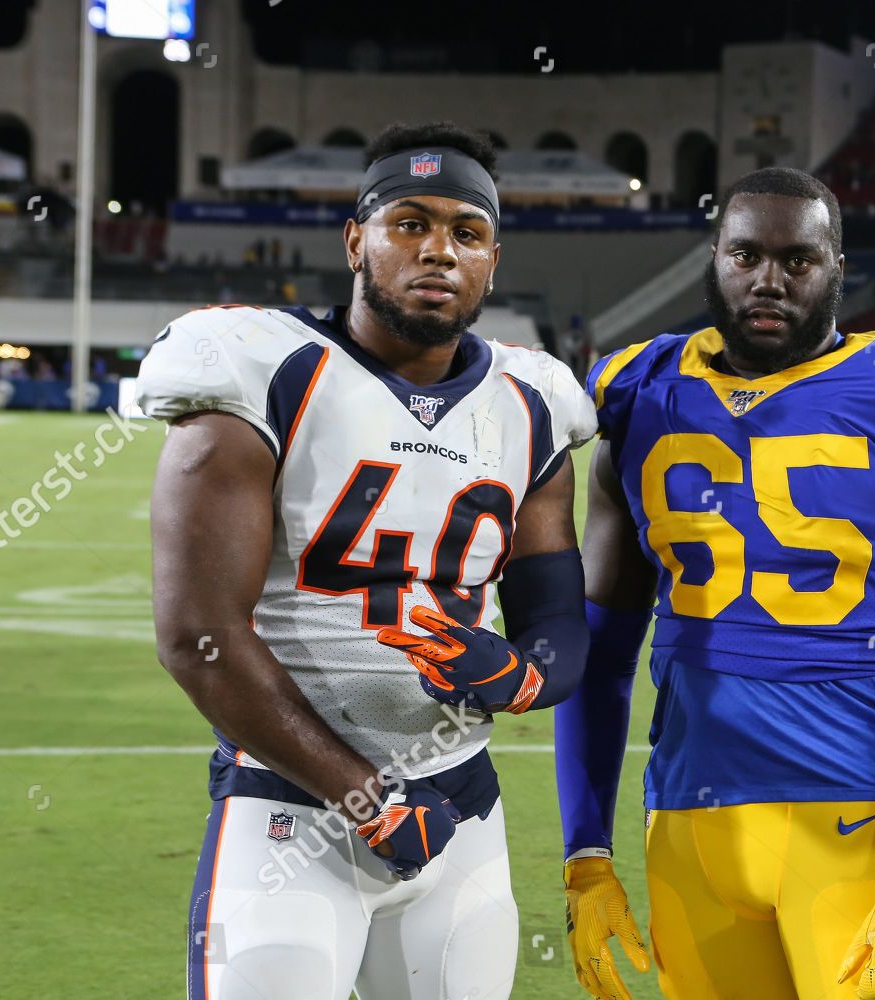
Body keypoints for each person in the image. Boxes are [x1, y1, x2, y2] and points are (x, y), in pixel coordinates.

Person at [135, 122, 596, 999]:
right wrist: (365, 796)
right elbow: (197, 633)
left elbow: (558, 620)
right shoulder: (262, 368)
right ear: (356, 240)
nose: (438, 251)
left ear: (493, 259)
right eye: (409, 223)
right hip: (289, 811)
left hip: (461, 810)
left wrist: (519, 676)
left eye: (467, 232)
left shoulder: (533, 402)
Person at [554, 168, 875, 1000]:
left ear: (838, 266)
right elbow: (601, 647)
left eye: (797, 260)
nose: (768, 279)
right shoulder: (638, 394)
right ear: (716, 258)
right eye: (747, 255)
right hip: (690, 820)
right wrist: (586, 854)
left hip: (864, 821)